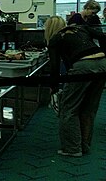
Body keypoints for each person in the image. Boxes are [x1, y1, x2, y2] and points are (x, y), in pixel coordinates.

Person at [44, 16, 106, 157]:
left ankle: (72, 148)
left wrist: (53, 88)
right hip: (103, 63)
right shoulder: (80, 28)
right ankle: (84, 145)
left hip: (83, 66)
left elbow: (55, 67)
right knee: (89, 108)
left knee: (69, 108)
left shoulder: (56, 39)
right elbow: (103, 36)